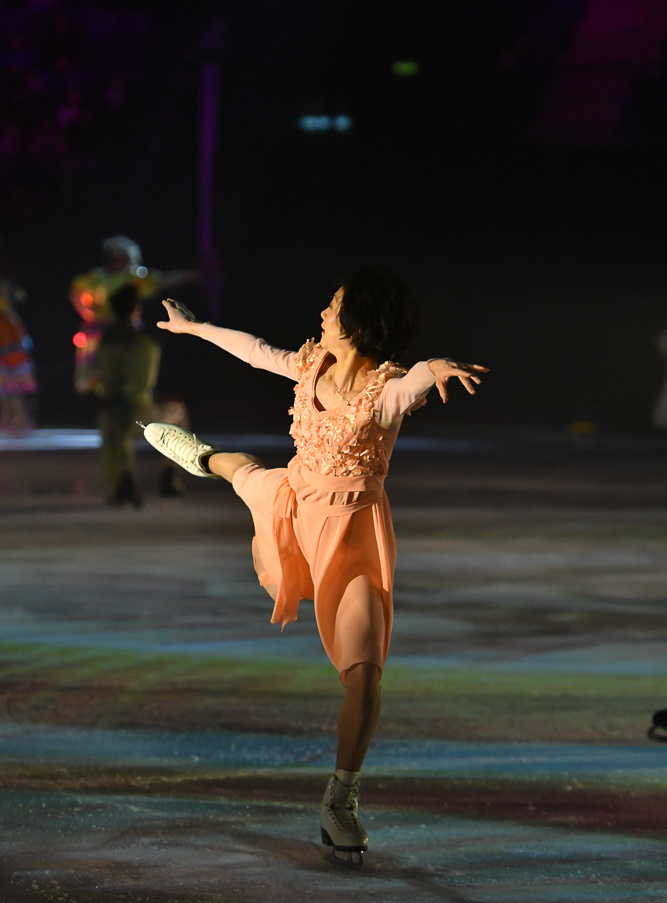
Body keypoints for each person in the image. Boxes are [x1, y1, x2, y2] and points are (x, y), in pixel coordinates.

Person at [142, 267, 488, 864]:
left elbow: (419, 382)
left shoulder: (385, 392)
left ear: (353, 326)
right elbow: (254, 352)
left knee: (365, 674)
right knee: (245, 474)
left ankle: (340, 800)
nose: (322, 316)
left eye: (332, 309)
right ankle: (206, 457)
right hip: (293, 502)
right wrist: (196, 329)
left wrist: (441, 366)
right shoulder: (310, 365)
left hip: (351, 536)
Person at [70, 234, 199, 394]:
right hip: (99, 327)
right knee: (90, 350)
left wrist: (189, 275)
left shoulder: (132, 276)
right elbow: (76, 290)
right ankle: (91, 383)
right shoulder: (96, 276)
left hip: (128, 326)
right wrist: (86, 310)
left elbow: (160, 280)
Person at [95, 283, 160, 506]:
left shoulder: (105, 341)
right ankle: (170, 479)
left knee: (114, 430)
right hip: (137, 408)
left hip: (111, 405)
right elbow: (141, 384)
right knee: (180, 416)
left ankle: (118, 483)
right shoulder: (143, 342)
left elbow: (99, 376)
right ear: (136, 309)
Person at [0, 237, 37, 431]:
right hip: (7, 330)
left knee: (10, 379)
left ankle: (18, 418)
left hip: (8, 332)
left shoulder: (8, 285)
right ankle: (10, 417)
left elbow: (17, 300)